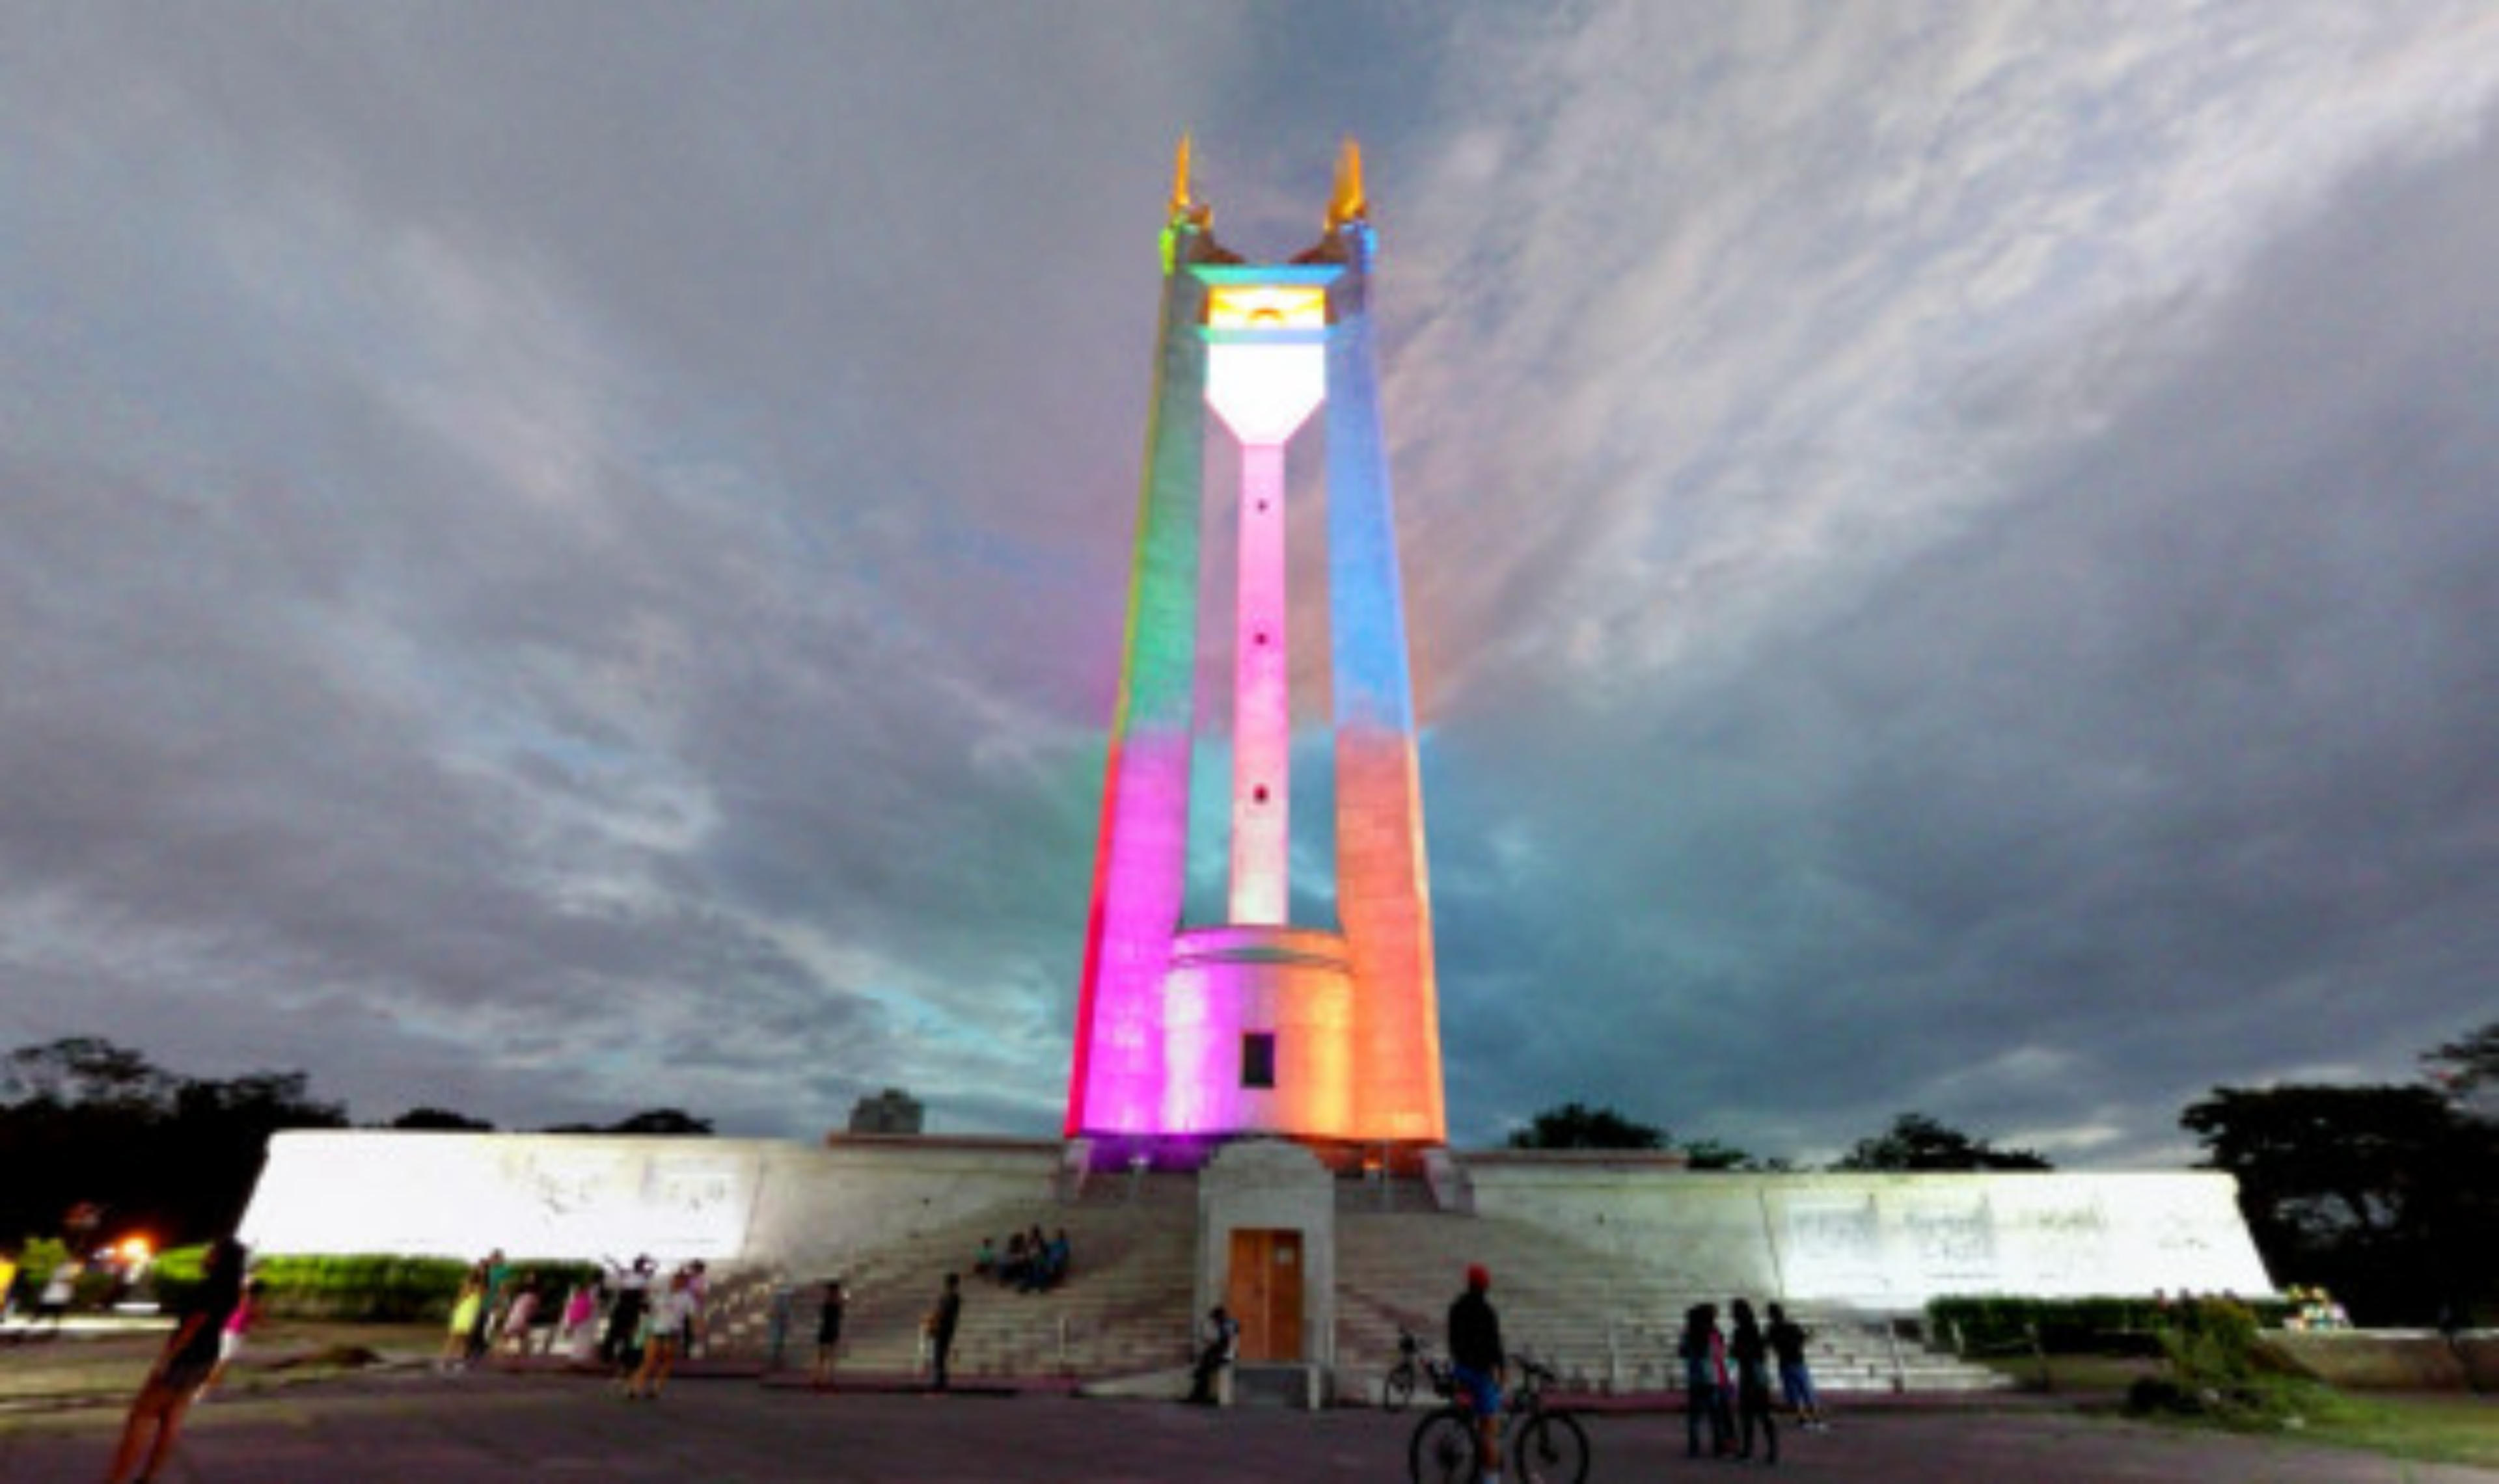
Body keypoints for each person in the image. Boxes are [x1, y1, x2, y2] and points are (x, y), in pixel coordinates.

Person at [105, 1236, 244, 1484]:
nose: (206, 1257)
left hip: (185, 1357)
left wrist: (166, 1360)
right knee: (172, 1419)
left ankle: (117, 1479)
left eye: (211, 1254)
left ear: (221, 1260)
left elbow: (192, 1325)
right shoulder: (234, 1291)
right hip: (206, 1356)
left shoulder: (207, 1288)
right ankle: (149, 1477)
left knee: (142, 1415)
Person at [1448, 1264, 1507, 1484]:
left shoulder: (1456, 1308)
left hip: (1461, 1370)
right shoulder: (1487, 1312)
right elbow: (1494, 1345)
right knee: (1490, 1429)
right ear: (1485, 1286)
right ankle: (1490, 1480)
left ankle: (1474, 1458)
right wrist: (1501, 1370)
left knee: (1478, 1422)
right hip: (1480, 1374)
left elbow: (1452, 1341)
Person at [621, 1269, 697, 1399]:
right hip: (657, 1330)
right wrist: (640, 1324)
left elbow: (693, 1316)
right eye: (677, 1280)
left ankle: (657, 1388)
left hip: (673, 1332)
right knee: (649, 1360)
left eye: (683, 1281)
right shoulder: (662, 1293)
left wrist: (695, 1331)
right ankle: (635, 1388)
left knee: (666, 1361)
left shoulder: (687, 1298)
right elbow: (649, 1309)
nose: (678, 1283)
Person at [195, 1276, 264, 1401]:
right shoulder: (251, 1302)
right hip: (234, 1334)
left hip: (229, 1330)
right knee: (223, 1363)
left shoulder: (243, 1298)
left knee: (222, 1361)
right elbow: (259, 1320)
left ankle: (207, 1387)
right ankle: (203, 1390)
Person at [1728, 1298, 1780, 1464]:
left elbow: (1737, 1354)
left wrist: (1737, 1351)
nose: (1732, 1315)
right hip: (1759, 1375)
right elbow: (1761, 1352)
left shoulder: (1741, 1332)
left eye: (1734, 1311)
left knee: (1748, 1415)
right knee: (1763, 1414)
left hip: (1749, 1376)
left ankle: (1749, 1451)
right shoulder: (1756, 1330)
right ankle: (1772, 1451)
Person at [1678, 1303, 1729, 1459]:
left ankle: (1694, 1447)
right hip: (1711, 1377)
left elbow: (1682, 1352)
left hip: (1696, 1378)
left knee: (1694, 1416)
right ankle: (1719, 1447)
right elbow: (1719, 1354)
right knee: (1715, 1415)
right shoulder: (1713, 1333)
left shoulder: (1690, 1334)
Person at [1765, 1301, 1825, 1429]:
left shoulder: (1771, 1330)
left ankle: (1803, 1419)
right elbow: (1804, 1340)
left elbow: (1767, 1345)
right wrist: (1812, 1334)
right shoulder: (1792, 1326)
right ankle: (1816, 1419)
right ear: (1783, 1313)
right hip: (1798, 1362)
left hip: (1784, 1364)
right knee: (1807, 1391)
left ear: (1771, 1316)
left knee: (1794, 1394)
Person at [600, 1256, 655, 1369]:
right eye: (637, 1263)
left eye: (641, 1264)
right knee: (615, 1329)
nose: (639, 1266)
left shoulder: (645, 1274)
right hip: (625, 1299)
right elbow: (617, 1267)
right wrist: (611, 1260)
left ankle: (625, 1357)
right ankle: (607, 1355)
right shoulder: (628, 1273)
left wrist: (650, 1259)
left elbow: (655, 1266)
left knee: (629, 1331)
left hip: (635, 1300)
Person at [1186, 1304, 1238, 1404]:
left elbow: (1230, 1344)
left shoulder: (1228, 1326)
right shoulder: (1226, 1325)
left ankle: (1199, 1393)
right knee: (1205, 1363)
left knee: (1205, 1368)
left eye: (1215, 1319)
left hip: (1225, 1356)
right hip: (1220, 1353)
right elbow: (1216, 1342)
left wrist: (1228, 1356)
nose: (1214, 1322)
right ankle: (1199, 1390)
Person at [812, 1276, 848, 1390]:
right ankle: (828, 1379)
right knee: (831, 1356)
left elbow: (822, 1315)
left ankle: (817, 1378)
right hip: (833, 1330)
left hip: (824, 1329)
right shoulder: (837, 1303)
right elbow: (841, 1315)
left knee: (821, 1356)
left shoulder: (826, 1302)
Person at [929, 1272, 963, 1390]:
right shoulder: (951, 1297)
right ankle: (940, 1377)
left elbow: (943, 1311)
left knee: (939, 1353)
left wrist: (934, 1318)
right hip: (946, 1326)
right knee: (940, 1353)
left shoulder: (951, 1297)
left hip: (944, 1327)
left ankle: (939, 1379)